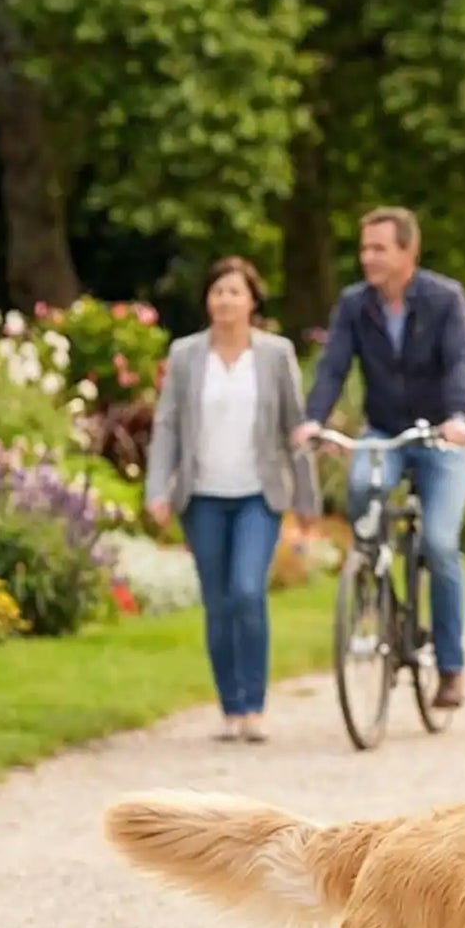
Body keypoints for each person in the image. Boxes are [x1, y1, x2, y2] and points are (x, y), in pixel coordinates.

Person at [295, 208, 465, 708]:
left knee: (440, 546)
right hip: (384, 431)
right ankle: (372, 573)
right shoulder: (356, 305)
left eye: (379, 248)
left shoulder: (444, 300)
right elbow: (333, 366)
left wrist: (459, 416)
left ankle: (450, 667)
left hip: (440, 434)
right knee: (361, 487)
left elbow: (462, 362)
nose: (368, 258)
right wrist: (314, 418)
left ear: (407, 252)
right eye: (364, 249)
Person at [144, 258, 319, 741]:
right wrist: (158, 488)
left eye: (234, 292)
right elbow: (167, 426)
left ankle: (255, 706)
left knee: (246, 591)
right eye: (217, 291)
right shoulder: (185, 355)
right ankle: (231, 707)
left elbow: (294, 429)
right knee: (218, 602)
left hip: (257, 495)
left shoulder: (275, 354)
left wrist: (307, 499)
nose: (225, 300)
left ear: (252, 302)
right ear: (208, 300)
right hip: (201, 496)